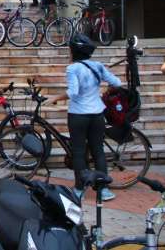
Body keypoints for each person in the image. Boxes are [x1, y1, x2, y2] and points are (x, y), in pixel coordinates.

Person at [48, 34, 121, 201]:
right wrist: (105, 90)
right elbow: (117, 83)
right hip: (97, 114)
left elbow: (73, 93)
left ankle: (80, 189)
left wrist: (55, 98)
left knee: (79, 153)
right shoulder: (98, 66)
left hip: (78, 115)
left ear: (74, 51)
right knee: (98, 151)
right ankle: (103, 190)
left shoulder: (72, 69)